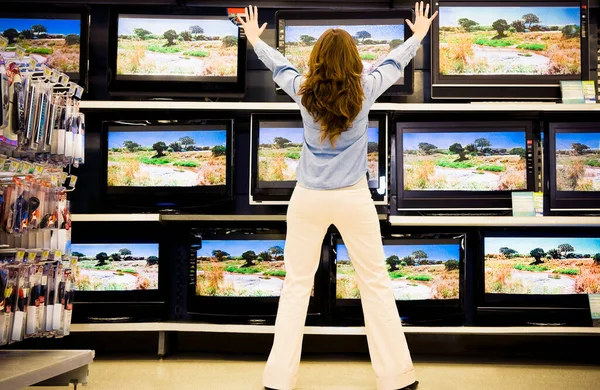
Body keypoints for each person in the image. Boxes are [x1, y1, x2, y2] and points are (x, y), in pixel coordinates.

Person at [238, 3, 438, 390]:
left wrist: (253, 40)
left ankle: (278, 379)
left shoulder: (304, 91)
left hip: (308, 198)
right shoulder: (364, 90)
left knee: (296, 285)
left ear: (316, 59)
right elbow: (393, 64)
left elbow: (280, 66)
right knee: (375, 283)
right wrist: (417, 36)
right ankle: (396, 378)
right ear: (354, 59)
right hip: (353, 198)